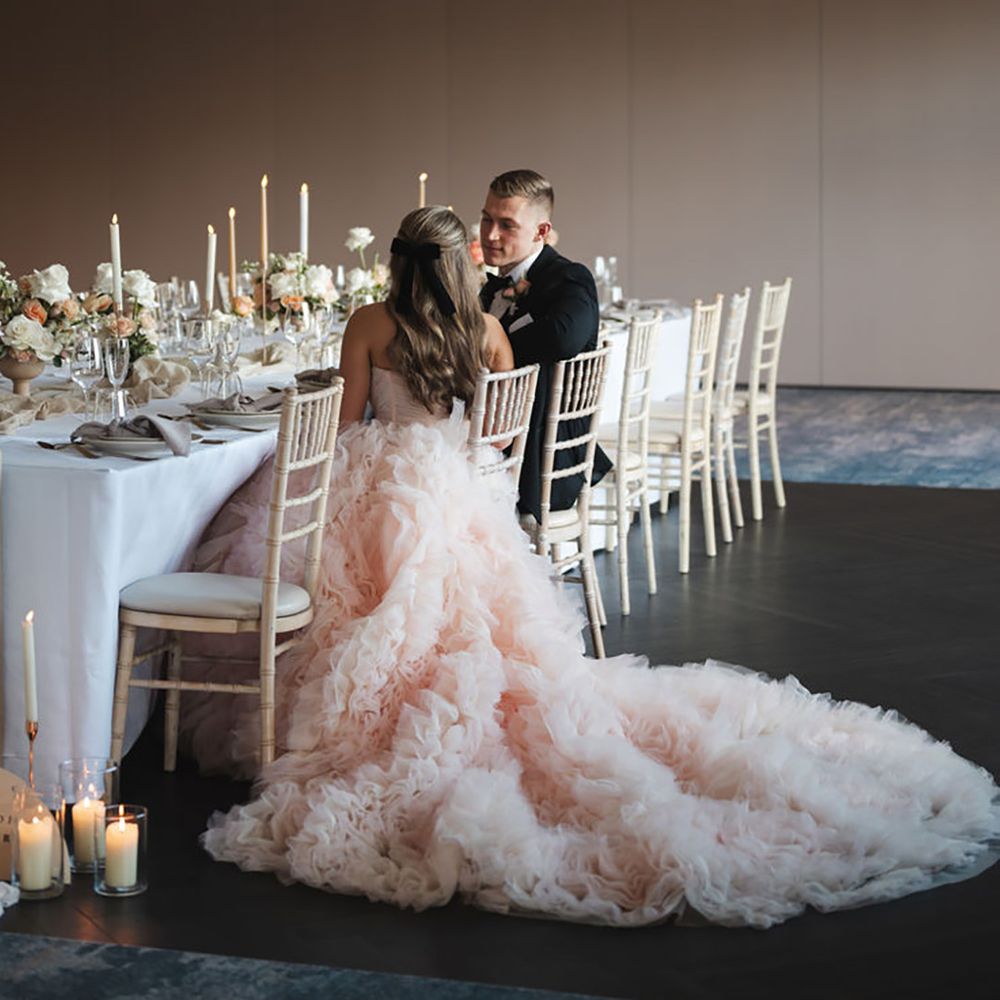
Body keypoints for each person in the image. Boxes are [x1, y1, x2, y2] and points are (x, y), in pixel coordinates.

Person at [188, 206, 999, 931]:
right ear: (461, 265)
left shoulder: (369, 321)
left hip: (384, 485)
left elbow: (346, 417)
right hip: (455, 489)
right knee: (469, 619)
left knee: (338, 578)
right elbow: (501, 434)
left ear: (397, 264)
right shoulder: (485, 329)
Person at [479, 169, 611, 519]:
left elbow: (562, 338)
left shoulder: (568, 278)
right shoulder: (492, 286)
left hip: (538, 456)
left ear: (541, 231)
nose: (491, 234)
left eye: (507, 225)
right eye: (486, 219)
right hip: (498, 434)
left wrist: (495, 347)